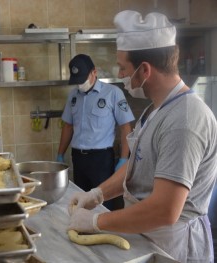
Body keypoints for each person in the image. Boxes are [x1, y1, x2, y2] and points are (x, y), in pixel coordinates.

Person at [68, 10, 217, 263]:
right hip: (149, 236)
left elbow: (165, 210)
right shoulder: (156, 109)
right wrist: (98, 194)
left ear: (144, 69)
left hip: (175, 246)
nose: (120, 74)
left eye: (123, 67)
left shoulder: (185, 119)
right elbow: (138, 167)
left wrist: (97, 221)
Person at [57, 54, 134, 210]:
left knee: (103, 204)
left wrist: (124, 158)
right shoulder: (73, 96)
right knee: (80, 202)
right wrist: (60, 154)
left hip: (101, 160)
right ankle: (82, 233)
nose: (80, 84)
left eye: (83, 79)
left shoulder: (112, 93)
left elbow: (126, 126)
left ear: (94, 72)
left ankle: (104, 232)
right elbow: (67, 126)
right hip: (78, 158)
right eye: (77, 81)